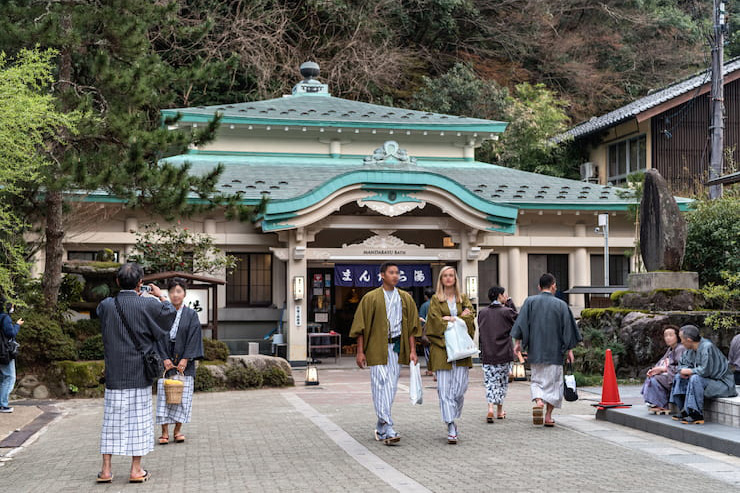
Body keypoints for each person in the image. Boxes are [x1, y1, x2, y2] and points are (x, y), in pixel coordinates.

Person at [96, 263, 176, 484]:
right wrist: (160, 296)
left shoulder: (107, 305)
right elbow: (168, 314)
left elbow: (101, 313)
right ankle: (136, 470)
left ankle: (106, 470)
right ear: (141, 283)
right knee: (138, 422)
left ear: (117, 281)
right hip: (139, 373)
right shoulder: (147, 305)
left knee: (111, 422)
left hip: (114, 375)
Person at [350, 262, 420, 445]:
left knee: (391, 386)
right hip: (376, 346)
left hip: (396, 346)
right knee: (379, 384)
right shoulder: (371, 298)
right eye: (391, 272)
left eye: (397, 272)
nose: (395, 276)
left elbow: (413, 327)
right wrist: (360, 352)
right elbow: (361, 327)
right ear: (382, 275)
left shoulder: (405, 298)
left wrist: (412, 350)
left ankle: (381, 427)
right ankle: (388, 425)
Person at [511, 273, 581, 428]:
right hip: (555, 352)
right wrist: (569, 350)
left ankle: (539, 401)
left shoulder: (530, 302)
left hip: (535, 350)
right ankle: (548, 416)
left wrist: (517, 343)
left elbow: (521, 323)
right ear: (553, 285)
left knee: (537, 380)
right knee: (554, 384)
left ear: (539, 287)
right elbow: (568, 329)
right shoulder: (561, 305)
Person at [425, 266, 475, 444]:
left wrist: (453, 319)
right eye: (444, 276)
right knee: (444, 390)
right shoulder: (435, 299)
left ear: (455, 278)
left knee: (460, 389)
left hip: (461, 349)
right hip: (442, 349)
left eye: (451, 275)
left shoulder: (464, 298)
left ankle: (453, 414)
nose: (448, 278)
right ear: (441, 279)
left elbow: (471, 317)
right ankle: (450, 424)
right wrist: (460, 318)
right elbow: (434, 321)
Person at [156, 278, 204, 445]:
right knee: (164, 397)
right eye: (172, 291)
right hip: (166, 360)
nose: (175, 295)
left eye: (178, 291)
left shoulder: (191, 314)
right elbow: (157, 337)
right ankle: (164, 432)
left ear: (184, 293)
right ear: (168, 294)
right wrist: (164, 358)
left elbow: (194, 337)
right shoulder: (162, 313)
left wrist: (185, 359)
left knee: (182, 398)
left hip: (185, 361)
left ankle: (177, 430)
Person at [669, 325, 738, 425]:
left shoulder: (707, 347)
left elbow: (706, 370)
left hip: (723, 384)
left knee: (695, 378)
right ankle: (685, 410)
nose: (681, 342)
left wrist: (690, 371)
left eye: (681, 339)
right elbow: (682, 364)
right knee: (679, 377)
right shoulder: (690, 349)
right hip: (708, 381)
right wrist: (683, 371)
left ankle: (696, 414)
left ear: (689, 339)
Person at [478, 286, 517, 423]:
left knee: (489, 382)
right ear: (500, 296)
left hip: (488, 352)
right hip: (503, 352)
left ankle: (490, 408)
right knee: (501, 382)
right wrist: (510, 302)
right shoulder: (506, 311)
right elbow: (517, 321)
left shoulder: (482, 313)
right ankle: (499, 411)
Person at [640, 325, 685, 414]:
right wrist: (654, 370)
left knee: (655, 379)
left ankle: (662, 405)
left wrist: (663, 369)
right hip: (669, 375)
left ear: (677, 336)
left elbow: (681, 366)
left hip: (677, 377)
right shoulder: (670, 349)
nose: (668, 338)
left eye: (671, 335)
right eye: (666, 335)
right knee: (652, 376)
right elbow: (661, 363)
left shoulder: (681, 348)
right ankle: (656, 403)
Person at [0, 300, 23, 413]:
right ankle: (3, 404)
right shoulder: (5, 318)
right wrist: (17, 325)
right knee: (9, 377)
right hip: (4, 352)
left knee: (2, 378)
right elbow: (11, 333)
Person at [418, 288, 435, 377]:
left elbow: (421, 318)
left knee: (428, 350)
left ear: (426, 296)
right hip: (437, 331)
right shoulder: (437, 304)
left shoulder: (424, 306)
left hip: (427, 331)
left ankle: (430, 369)